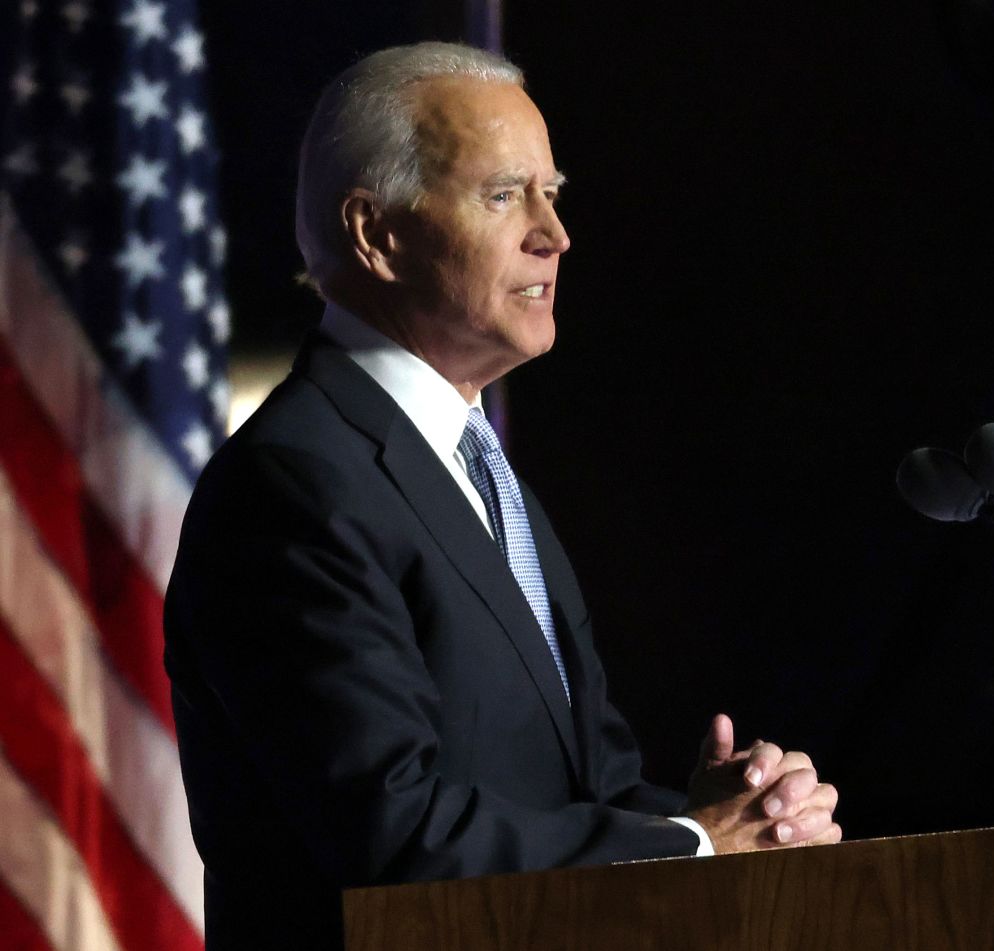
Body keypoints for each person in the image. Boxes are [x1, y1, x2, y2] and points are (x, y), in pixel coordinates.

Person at [164, 41, 839, 951]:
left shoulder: (475, 463)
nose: (554, 235)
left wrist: (729, 815)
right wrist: (688, 845)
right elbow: (392, 831)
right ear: (377, 233)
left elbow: (576, 790)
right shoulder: (295, 482)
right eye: (502, 195)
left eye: (551, 193)